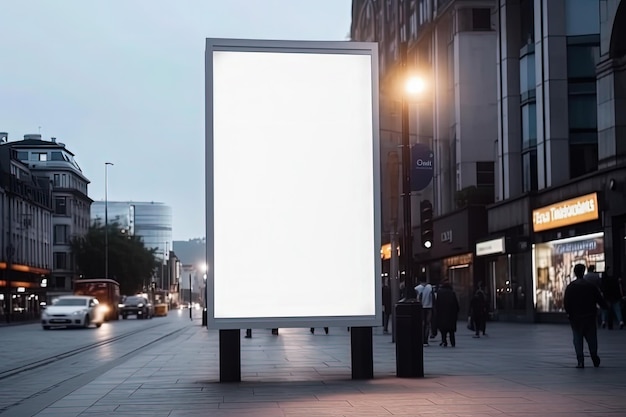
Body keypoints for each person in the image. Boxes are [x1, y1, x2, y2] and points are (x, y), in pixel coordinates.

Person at [564, 263, 608, 368]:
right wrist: (605, 307)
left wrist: (569, 313)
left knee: (577, 339)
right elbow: (599, 299)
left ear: (575, 272)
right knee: (592, 337)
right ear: (584, 272)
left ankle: (580, 360)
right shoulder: (590, 286)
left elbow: (566, 303)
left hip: (576, 318)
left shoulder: (571, 287)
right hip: (589, 315)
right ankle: (594, 355)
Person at [435, 279, 459, 347]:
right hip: (451, 315)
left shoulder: (440, 293)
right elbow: (456, 305)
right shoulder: (452, 293)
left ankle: (444, 341)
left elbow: (437, 304)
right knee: (451, 331)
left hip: (442, 314)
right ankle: (452, 342)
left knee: (443, 330)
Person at [414, 278, 434, 346]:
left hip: (420, 307)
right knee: (427, 324)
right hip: (429, 307)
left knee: (421, 323)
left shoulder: (417, 288)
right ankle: (425, 339)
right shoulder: (430, 287)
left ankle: (421, 338)